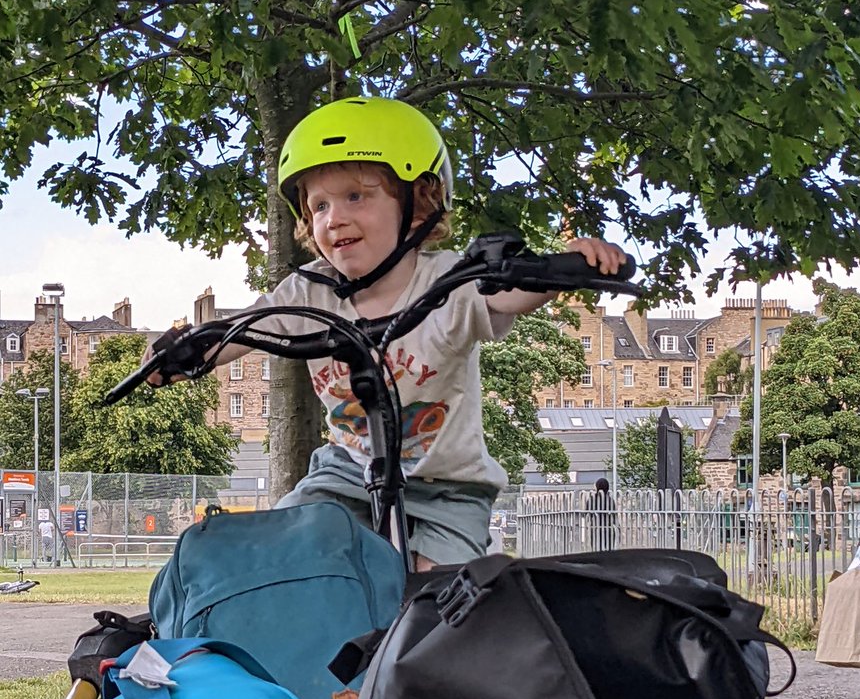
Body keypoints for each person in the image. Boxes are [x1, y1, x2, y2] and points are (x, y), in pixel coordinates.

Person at [151, 96, 627, 569]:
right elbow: (247, 328)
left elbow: (505, 293)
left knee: (437, 599)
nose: (333, 218)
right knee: (284, 558)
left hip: (447, 487)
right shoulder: (308, 290)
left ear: (418, 203)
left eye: (355, 196)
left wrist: (565, 268)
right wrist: (184, 354)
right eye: (318, 205)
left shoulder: (447, 282)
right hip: (346, 474)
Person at [591, 476, 617, 551]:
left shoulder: (592, 500)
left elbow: (586, 513)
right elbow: (614, 514)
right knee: (609, 550)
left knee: (596, 550)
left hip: (596, 528)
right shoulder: (610, 500)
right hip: (609, 528)